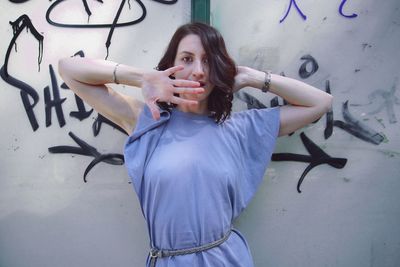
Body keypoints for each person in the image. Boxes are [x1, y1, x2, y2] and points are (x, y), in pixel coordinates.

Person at [58, 22, 332, 267]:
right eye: (187, 59)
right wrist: (142, 78)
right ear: (171, 67)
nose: (198, 71)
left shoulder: (242, 128)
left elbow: (320, 102)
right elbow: (69, 69)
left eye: (208, 61)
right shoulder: (148, 120)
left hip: (224, 259)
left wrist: (249, 76)